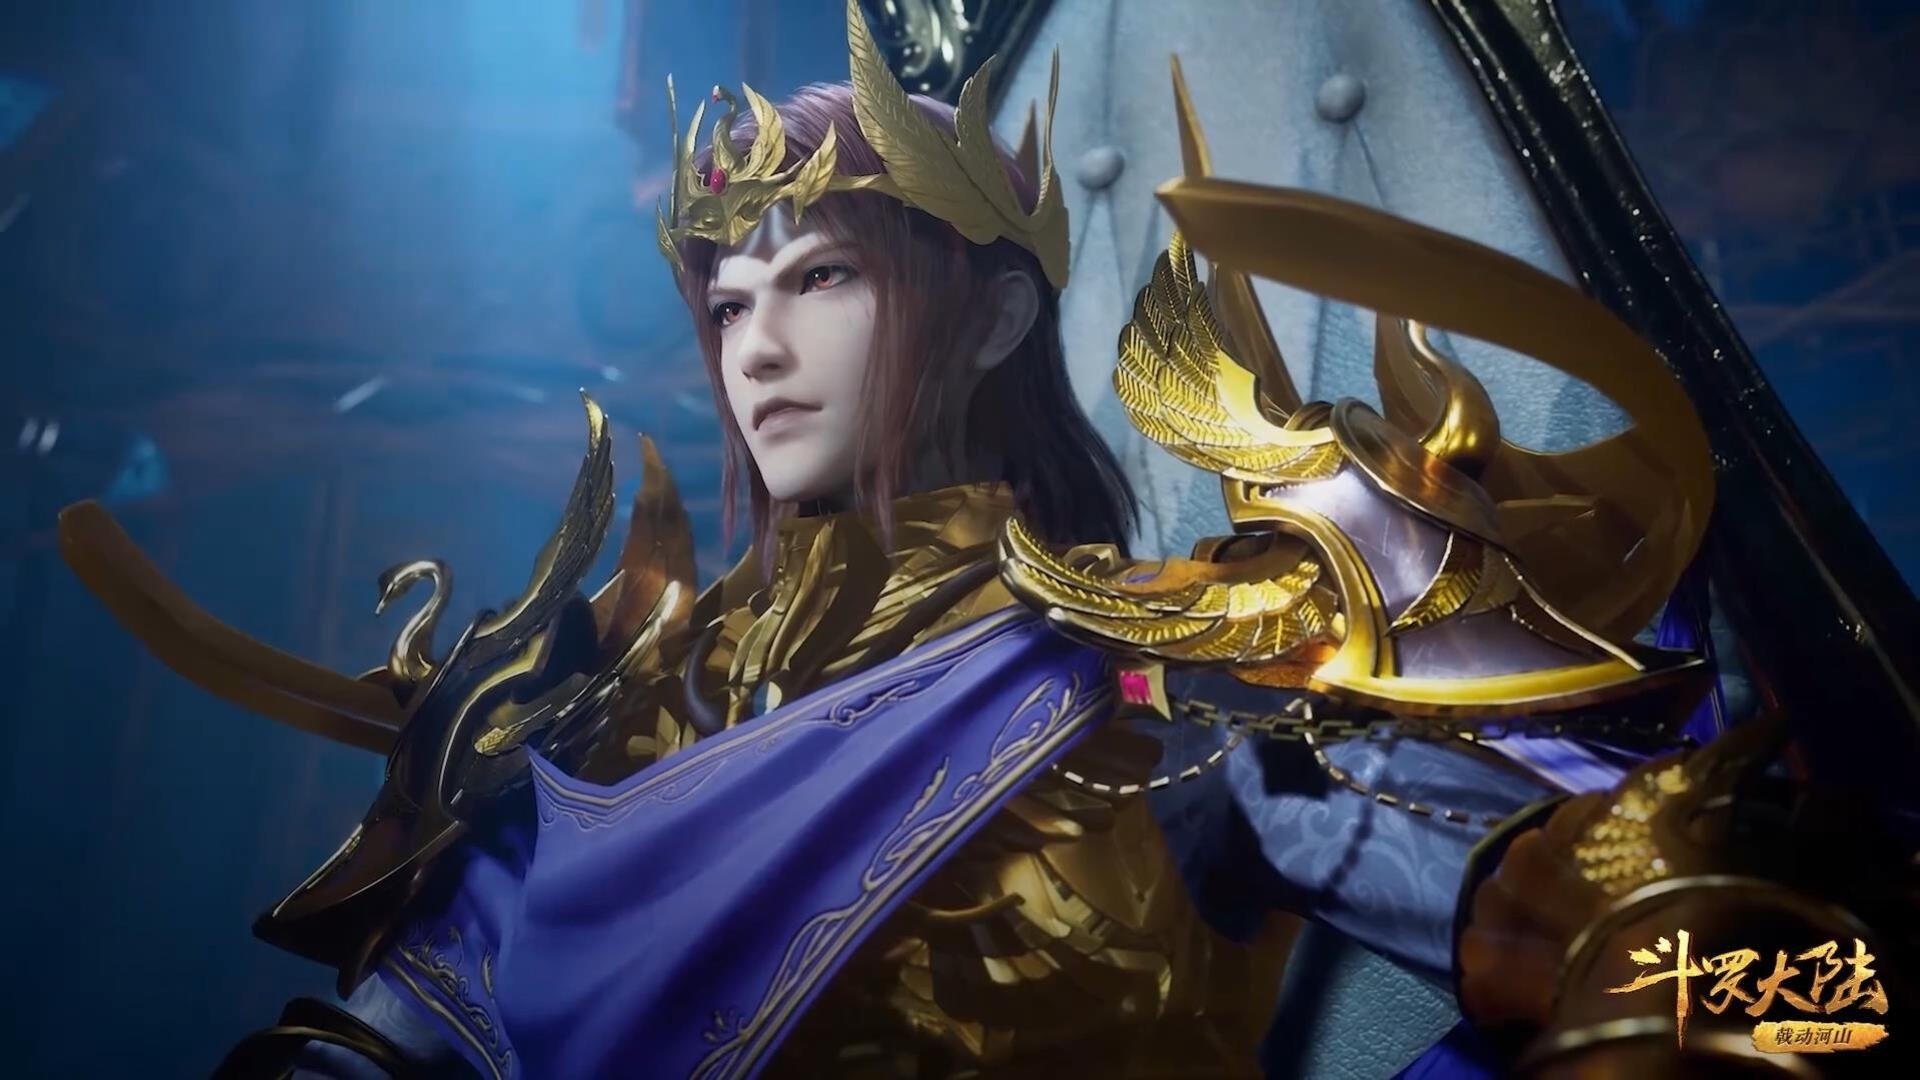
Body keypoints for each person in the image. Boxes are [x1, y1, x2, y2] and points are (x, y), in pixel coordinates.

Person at [78, 3, 1892, 1078]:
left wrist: (1710, 968)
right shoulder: (607, 711)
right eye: (726, 300)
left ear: (998, 318)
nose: (756, 345)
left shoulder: (1151, 671)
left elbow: (1639, 937)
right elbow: (395, 1035)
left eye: (822, 279)